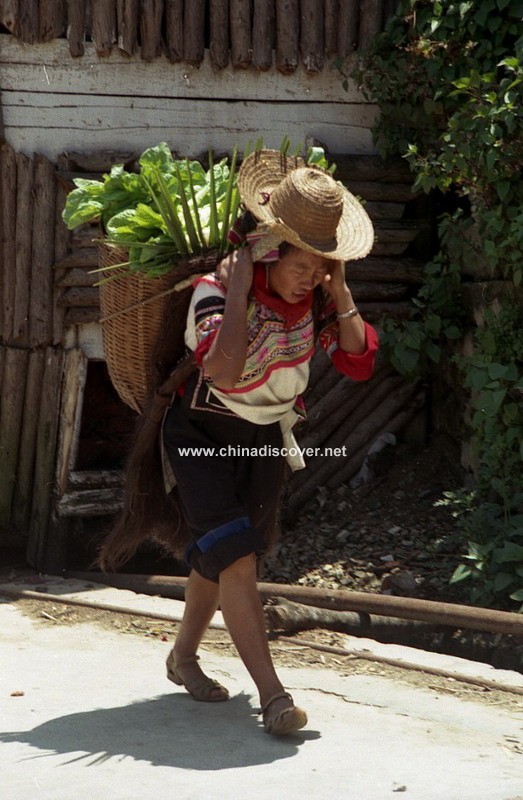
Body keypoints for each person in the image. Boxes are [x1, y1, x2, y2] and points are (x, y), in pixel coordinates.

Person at [101, 150, 379, 736]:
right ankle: (274, 697)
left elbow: (358, 362)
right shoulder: (212, 290)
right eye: (303, 264)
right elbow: (224, 373)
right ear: (270, 249)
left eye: (321, 266)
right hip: (201, 435)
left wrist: (342, 287)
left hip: (263, 441)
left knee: (219, 554)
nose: (310, 277)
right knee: (237, 555)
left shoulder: (318, 299)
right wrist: (235, 294)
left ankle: (181, 658)